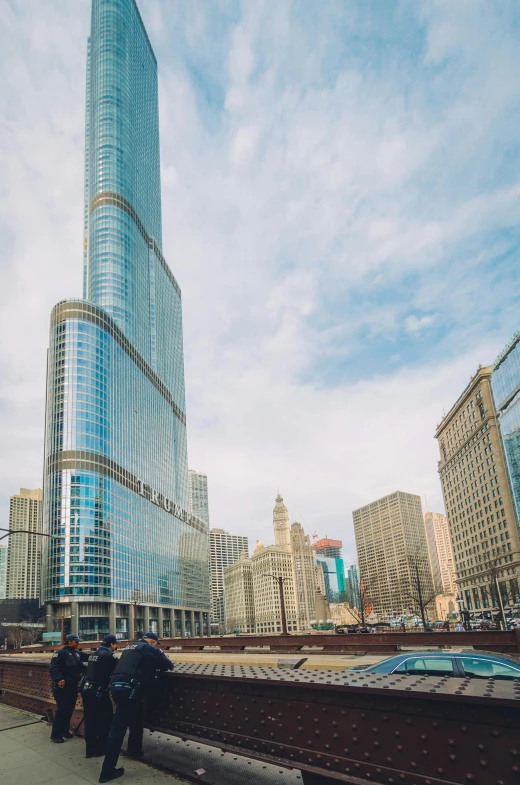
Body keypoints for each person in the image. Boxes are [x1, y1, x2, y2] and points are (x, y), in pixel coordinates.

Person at [99, 632, 173, 784]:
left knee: (135, 720)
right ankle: (106, 772)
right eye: (156, 644)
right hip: (130, 690)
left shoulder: (129, 647)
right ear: (153, 642)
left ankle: (134, 750)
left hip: (116, 687)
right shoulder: (148, 648)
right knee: (117, 729)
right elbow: (168, 665)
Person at [81, 634, 119, 758]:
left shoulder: (93, 655)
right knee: (105, 719)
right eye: (115, 644)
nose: (116, 647)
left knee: (90, 720)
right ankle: (100, 749)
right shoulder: (109, 655)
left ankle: (89, 750)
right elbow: (118, 669)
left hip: (87, 690)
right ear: (111, 644)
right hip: (99, 692)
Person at [49, 633, 89, 743]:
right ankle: (55, 734)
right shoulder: (60, 653)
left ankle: (64, 731)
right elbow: (53, 667)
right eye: (76, 642)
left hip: (72, 686)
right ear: (70, 641)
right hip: (62, 686)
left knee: (69, 709)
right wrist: (58, 679)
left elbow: (89, 657)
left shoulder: (77, 654)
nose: (78, 644)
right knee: (62, 710)